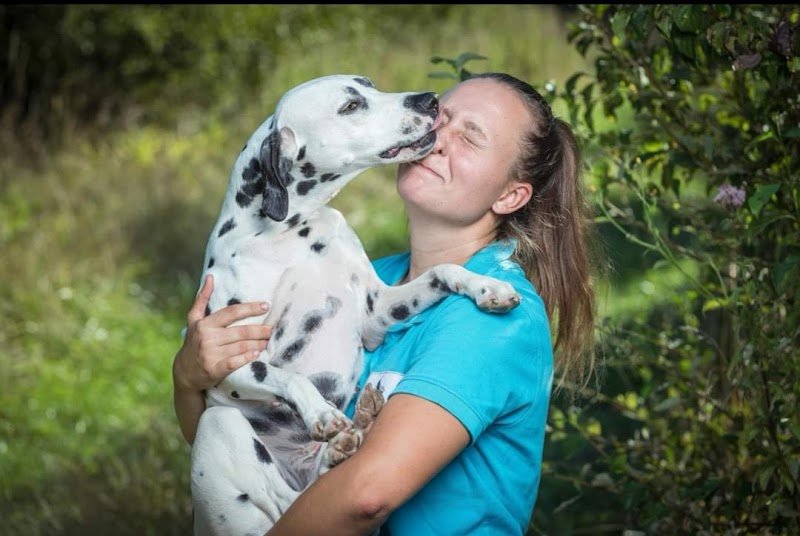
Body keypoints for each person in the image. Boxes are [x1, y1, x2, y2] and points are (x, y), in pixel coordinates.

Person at [173, 71, 597, 535]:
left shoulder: (496, 319)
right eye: (444, 118)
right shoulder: (377, 276)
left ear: (509, 196)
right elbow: (233, 458)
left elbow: (366, 496)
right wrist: (188, 378)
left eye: (470, 139)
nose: (438, 138)